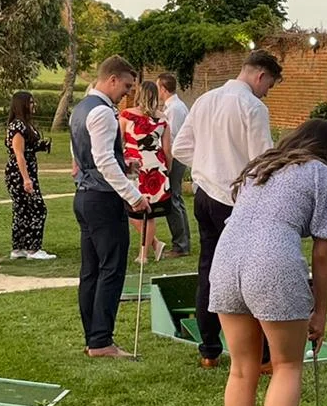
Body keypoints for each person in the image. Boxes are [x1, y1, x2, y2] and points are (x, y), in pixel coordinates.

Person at [208, 118, 327, 406]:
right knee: (287, 365)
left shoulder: (261, 167)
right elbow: (323, 251)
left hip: (227, 259)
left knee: (241, 367)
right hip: (273, 262)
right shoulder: (325, 177)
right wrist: (319, 311)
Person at [172, 50, 282, 370]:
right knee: (250, 275)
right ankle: (260, 356)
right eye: (269, 86)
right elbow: (264, 162)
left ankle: (208, 348)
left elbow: (181, 148)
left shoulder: (205, 99)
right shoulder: (252, 106)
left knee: (209, 269)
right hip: (235, 200)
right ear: (260, 76)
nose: (267, 92)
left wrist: (206, 165)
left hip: (204, 195)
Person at [70, 56, 149, 358]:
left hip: (84, 197)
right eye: (126, 86)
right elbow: (102, 160)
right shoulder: (102, 112)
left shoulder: (80, 109)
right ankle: (102, 341)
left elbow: (82, 158)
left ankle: (93, 337)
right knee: (111, 269)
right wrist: (133, 195)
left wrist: (124, 162)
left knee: (90, 270)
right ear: (112, 79)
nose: (127, 93)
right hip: (103, 199)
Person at [120, 80, 172, 265]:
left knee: (135, 209)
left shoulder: (126, 116)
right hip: (155, 166)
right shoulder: (163, 119)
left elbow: (118, 143)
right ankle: (153, 245)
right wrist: (167, 169)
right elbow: (167, 149)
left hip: (134, 166)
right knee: (145, 211)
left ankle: (144, 254)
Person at [4, 91, 54, 261]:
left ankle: (19, 248)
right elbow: (19, 154)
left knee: (23, 210)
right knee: (37, 208)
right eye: (31, 102)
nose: (34, 105)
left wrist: (40, 146)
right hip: (20, 174)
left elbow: (27, 148)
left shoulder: (25, 125)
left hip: (27, 171)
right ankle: (34, 248)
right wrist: (26, 179)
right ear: (23, 104)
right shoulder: (18, 126)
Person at [157, 73, 191, 256]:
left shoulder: (175, 109)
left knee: (173, 200)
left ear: (163, 88)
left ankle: (181, 244)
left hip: (175, 158)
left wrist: (167, 160)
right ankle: (183, 241)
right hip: (175, 157)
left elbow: (173, 138)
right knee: (176, 199)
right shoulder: (174, 107)